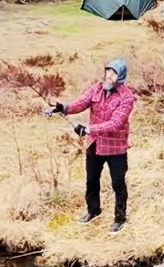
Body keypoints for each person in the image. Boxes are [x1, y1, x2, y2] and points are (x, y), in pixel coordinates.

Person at [47, 59, 135, 232]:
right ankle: (93, 211)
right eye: (108, 71)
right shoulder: (97, 88)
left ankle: (119, 218)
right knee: (91, 179)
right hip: (95, 144)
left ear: (121, 77)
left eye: (113, 73)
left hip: (116, 147)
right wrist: (62, 107)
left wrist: (88, 129)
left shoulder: (127, 97)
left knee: (118, 183)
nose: (109, 76)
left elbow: (115, 123)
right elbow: (81, 103)